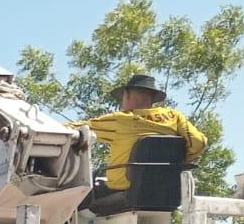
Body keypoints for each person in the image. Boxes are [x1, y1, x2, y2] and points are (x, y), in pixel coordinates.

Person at [77, 73, 207, 192]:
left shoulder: (122, 119)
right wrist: (178, 159)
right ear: (151, 99)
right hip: (164, 192)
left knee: (81, 194)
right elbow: (199, 143)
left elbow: (78, 127)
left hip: (123, 191)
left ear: (127, 95)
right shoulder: (174, 117)